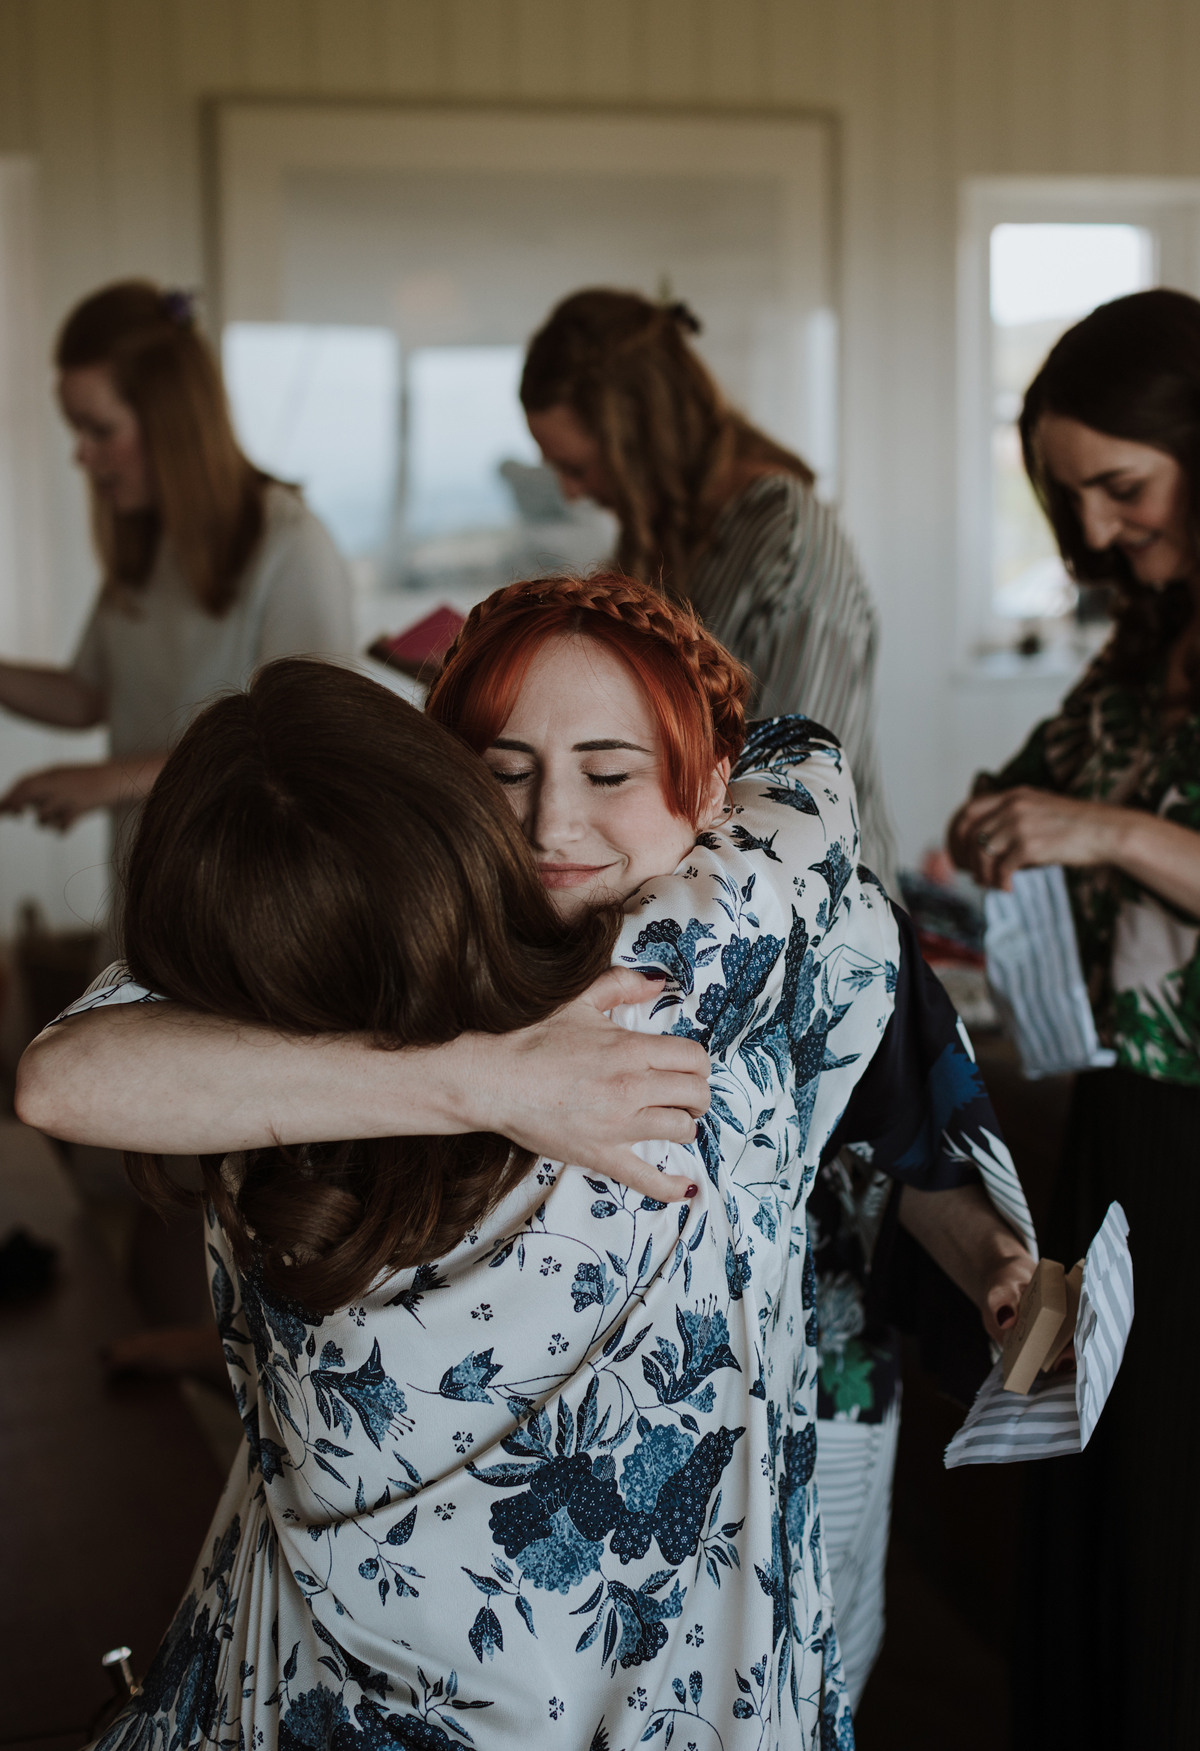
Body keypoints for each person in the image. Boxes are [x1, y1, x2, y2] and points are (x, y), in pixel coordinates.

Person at [24, 577, 1034, 1724]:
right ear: (438, 795)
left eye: (609, 772)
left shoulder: (737, 952)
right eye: (501, 774)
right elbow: (801, 762)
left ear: (709, 787)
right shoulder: (366, 965)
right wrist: (488, 1079)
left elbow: (66, 1075)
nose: (551, 824)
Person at [946, 288, 1200, 1749]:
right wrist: (1005, 821)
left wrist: (1097, 832)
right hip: (1119, 1121)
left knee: (1175, 1504)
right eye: (1069, 496)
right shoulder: (1144, 642)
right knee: (1096, 1471)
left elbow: (1104, 823)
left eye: (1125, 485)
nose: (1095, 530)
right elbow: (1049, 785)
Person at [518, 287, 899, 891]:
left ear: (639, 439)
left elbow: (796, 785)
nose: (571, 493)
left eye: (580, 468)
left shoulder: (784, 541)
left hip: (802, 911)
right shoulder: (672, 536)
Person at [0, 278, 352, 887]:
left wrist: (104, 781)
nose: (81, 456)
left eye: (99, 429)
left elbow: (307, 750)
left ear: (170, 421)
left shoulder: (289, 546)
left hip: (245, 900)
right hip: (147, 887)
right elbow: (86, 696)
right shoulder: (146, 549)